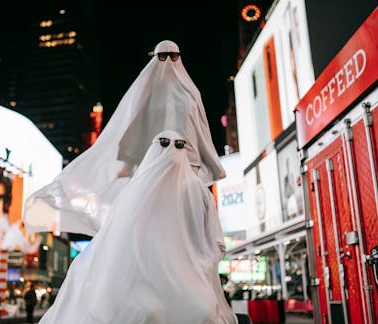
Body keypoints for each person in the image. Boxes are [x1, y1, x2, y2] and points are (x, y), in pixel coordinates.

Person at [33, 130, 237, 324]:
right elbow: (119, 239)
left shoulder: (198, 192)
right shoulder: (134, 193)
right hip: (141, 282)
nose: (171, 150)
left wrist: (199, 265)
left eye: (179, 145)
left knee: (203, 314)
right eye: (164, 143)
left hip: (190, 281)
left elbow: (215, 241)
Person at [24, 40, 226, 238]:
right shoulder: (148, 95)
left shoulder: (190, 94)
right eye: (162, 56)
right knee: (153, 227)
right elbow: (134, 128)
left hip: (183, 170)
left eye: (173, 56)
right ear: (155, 58)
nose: (168, 62)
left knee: (181, 228)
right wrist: (129, 164)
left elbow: (201, 131)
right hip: (152, 169)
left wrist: (206, 163)